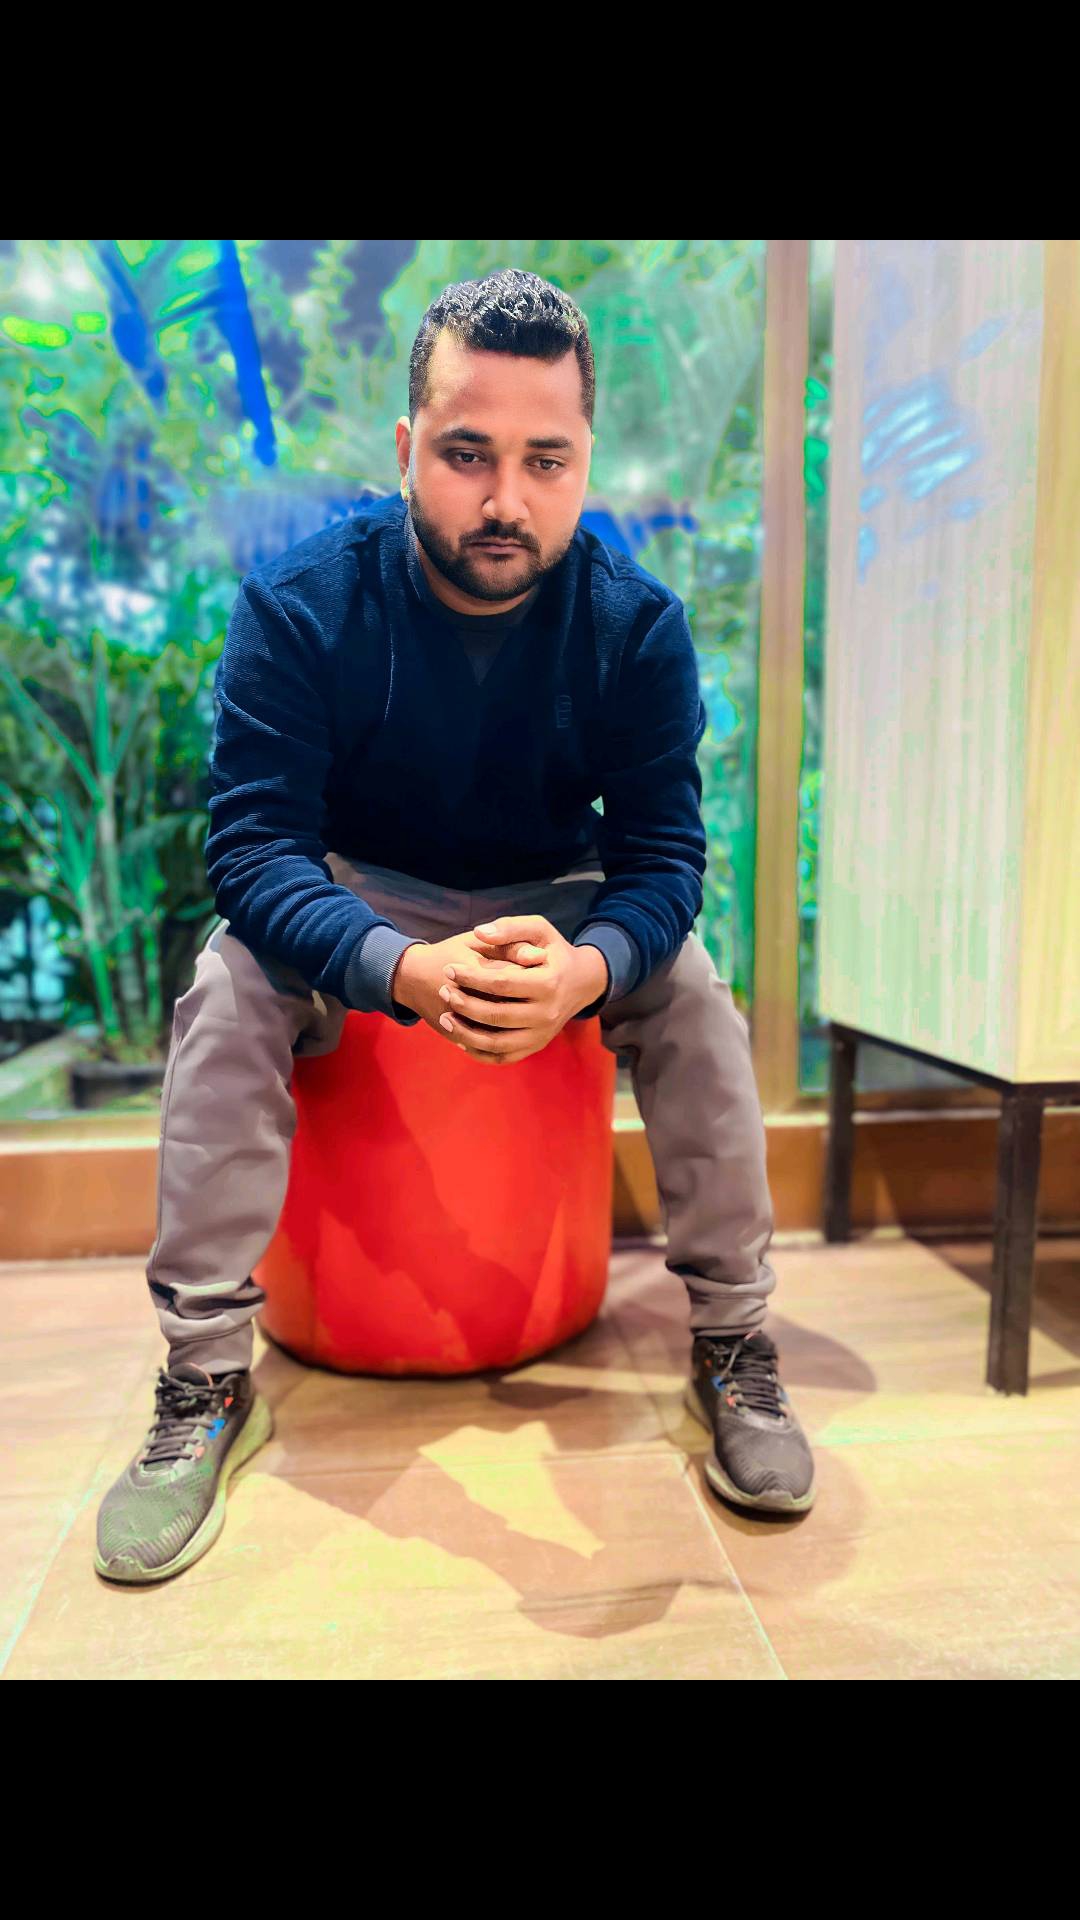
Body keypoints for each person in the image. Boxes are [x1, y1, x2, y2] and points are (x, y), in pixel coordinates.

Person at [94, 267, 815, 1586]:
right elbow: (252, 849)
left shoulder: (636, 630)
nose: (506, 500)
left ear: (585, 460)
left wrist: (594, 965)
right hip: (360, 889)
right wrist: (395, 966)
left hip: (558, 898)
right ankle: (205, 1379)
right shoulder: (300, 605)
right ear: (406, 448)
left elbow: (664, 861)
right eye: (468, 453)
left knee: (695, 989)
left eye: (546, 460)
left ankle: (733, 1343)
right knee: (229, 983)